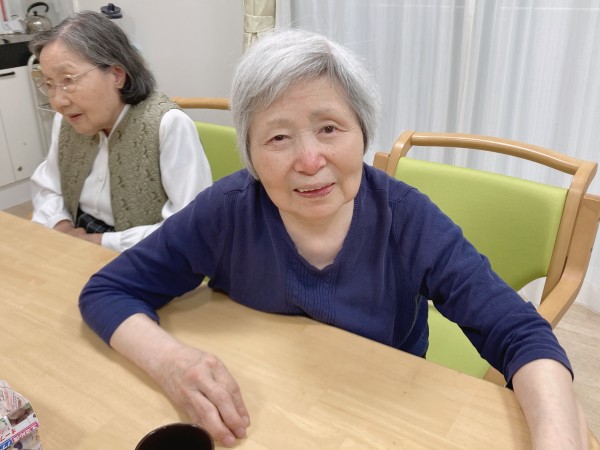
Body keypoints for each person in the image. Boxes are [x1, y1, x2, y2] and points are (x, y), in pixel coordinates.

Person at [79, 28, 589, 448]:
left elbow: (521, 335)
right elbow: (108, 290)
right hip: (258, 417)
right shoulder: (227, 210)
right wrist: (171, 362)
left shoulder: (407, 219)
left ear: (362, 133)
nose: (309, 160)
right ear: (250, 154)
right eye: (279, 137)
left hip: (379, 418)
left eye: (329, 128)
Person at [28, 11, 212, 252]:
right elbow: (48, 186)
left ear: (116, 74)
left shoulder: (167, 125)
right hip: (76, 240)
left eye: (69, 80)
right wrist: (61, 226)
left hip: (145, 253)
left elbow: (189, 226)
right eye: (49, 84)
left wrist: (100, 242)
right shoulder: (65, 121)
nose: (58, 101)